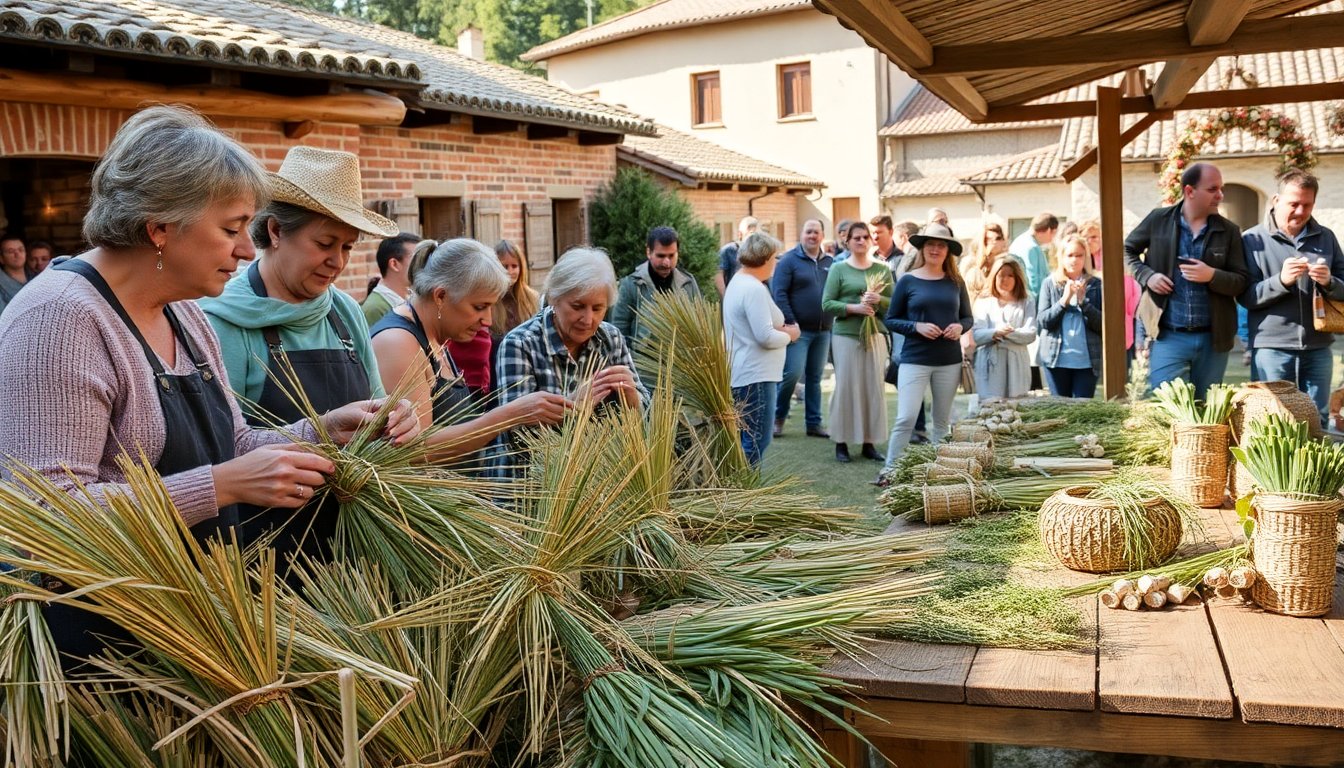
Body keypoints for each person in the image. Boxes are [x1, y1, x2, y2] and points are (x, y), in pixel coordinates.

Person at [0, 106, 416, 660]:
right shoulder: (60, 320)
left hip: (188, 624)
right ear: (160, 227)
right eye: (230, 229)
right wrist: (220, 487)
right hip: (99, 644)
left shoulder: (186, 314)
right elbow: (48, 515)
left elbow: (235, 444)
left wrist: (323, 432)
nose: (246, 250)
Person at [199, 144, 405, 561]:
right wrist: (320, 432)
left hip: (352, 540)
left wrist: (395, 419)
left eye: (347, 247)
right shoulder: (220, 321)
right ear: (275, 231)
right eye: (325, 243)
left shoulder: (344, 311)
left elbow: (377, 405)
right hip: (264, 547)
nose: (338, 262)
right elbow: (220, 451)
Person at [371, 238, 569, 463]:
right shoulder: (398, 342)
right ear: (441, 296)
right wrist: (509, 414)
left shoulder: (435, 336)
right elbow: (415, 451)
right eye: (479, 307)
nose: (488, 320)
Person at [493, 247, 648, 476]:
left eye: (598, 308)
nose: (588, 319)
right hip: (529, 492)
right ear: (555, 297)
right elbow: (515, 437)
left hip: (595, 486)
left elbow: (648, 420)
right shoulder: (521, 344)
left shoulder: (611, 340)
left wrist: (633, 400)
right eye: (577, 307)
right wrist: (572, 407)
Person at [1125, 162, 1248, 398]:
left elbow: (1241, 281)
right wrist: (1147, 276)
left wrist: (1212, 275)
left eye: (1221, 189)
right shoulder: (1158, 219)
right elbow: (1126, 250)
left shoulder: (1230, 230)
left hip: (1214, 339)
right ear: (1190, 191)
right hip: (1168, 335)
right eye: (1213, 189)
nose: (1220, 195)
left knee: (1206, 413)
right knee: (1168, 406)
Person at [1240, 169, 1344, 422]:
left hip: (1318, 346)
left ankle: (1315, 464)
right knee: (1272, 419)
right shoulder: (1251, 240)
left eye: (1306, 205)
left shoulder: (1326, 237)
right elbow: (1245, 297)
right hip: (1270, 347)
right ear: (1276, 200)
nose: (1300, 211)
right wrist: (1281, 281)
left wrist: (1330, 282)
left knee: (1316, 418)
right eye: (1293, 203)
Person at [880, 223, 973, 483]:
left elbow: (967, 318)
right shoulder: (908, 280)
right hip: (914, 359)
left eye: (941, 245)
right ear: (922, 248)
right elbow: (892, 319)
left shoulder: (955, 281)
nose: (935, 248)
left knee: (941, 422)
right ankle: (889, 470)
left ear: (948, 251)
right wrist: (916, 326)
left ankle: (939, 473)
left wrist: (959, 327)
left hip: (948, 360)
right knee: (906, 417)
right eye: (930, 244)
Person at [722, 232, 797, 467]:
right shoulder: (752, 288)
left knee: (750, 439)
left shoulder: (739, 281)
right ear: (764, 259)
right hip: (756, 375)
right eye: (775, 257)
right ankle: (745, 493)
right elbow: (764, 336)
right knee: (756, 441)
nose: (776, 263)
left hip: (748, 372)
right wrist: (790, 334)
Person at [821, 221, 892, 463]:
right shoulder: (838, 269)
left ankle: (869, 443)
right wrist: (855, 308)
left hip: (875, 336)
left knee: (873, 388)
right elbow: (827, 303)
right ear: (847, 241)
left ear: (870, 241)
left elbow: (894, 305)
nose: (861, 241)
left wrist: (879, 299)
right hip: (846, 336)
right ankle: (841, 442)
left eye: (864, 237)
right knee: (846, 388)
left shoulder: (882, 270)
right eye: (856, 237)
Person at [772, 219, 833, 438]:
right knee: (792, 375)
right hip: (799, 331)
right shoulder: (788, 261)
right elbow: (778, 293)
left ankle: (813, 423)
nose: (812, 236)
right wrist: (791, 322)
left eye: (816, 232)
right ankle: (777, 418)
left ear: (822, 235)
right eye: (808, 231)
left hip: (824, 330)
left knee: (815, 379)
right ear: (801, 234)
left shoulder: (830, 262)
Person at [610, 225, 702, 356]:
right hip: (642, 370)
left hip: (680, 369)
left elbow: (699, 325)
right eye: (661, 255)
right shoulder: (631, 285)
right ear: (648, 252)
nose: (666, 262)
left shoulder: (688, 283)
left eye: (671, 256)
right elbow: (619, 329)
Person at [1038, 235, 1103, 398]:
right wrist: (1063, 301)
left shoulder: (1095, 284)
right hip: (1056, 359)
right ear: (1061, 257)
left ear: (1086, 257)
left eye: (1079, 255)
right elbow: (1043, 322)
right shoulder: (1050, 283)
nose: (1074, 260)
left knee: (1083, 410)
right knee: (1060, 409)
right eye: (1070, 255)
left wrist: (1084, 303)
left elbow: (1103, 325)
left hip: (1087, 361)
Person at [972, 257, 1036, 399]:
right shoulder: (983, 302)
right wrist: (995, 332)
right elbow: (976, 335)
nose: (1004, 280)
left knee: (1017, 406)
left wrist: (1007, 333)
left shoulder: (1026, 301)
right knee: (990, 406)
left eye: (1010, 275)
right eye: (1001, 275)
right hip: (990, 362)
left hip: (1016, 362)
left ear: (1017, 278)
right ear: (994, 277)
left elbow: (1030, 333)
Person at [1079, 219, 1142, 364]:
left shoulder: (1112, 257)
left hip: (1119, 316)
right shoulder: (1079, 259)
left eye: (1094, 237)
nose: (1090, 241)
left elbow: (1130, 289)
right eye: (1086, 237)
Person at [361, 232, 417, 326]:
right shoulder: (375, 309)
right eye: (416, 259)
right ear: (394, 264)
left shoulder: (409, 299)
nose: (423, 265)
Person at [1009, 212, 1058, 301]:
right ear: (1048, 230)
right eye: (1054, 234)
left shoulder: (1020, 240)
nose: (1052, 239)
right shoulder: (1032, 247)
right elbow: (1034, 282)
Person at [961, 223, 1008, 300]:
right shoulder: (970, 263)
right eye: (989, 239)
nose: (994, 242)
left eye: (998, 238)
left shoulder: (1008, 263)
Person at [715, 216, 758, 294]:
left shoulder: (761, 252)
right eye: (751, 234)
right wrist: (725, 297)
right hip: (735, 294)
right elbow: (718, 274)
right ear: (740, 234)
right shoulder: (729, 250)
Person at [0, 235, 29, 314]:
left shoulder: (36, 277)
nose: (17, 254)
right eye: (11, 251)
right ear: (1, 258)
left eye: (21, 250)